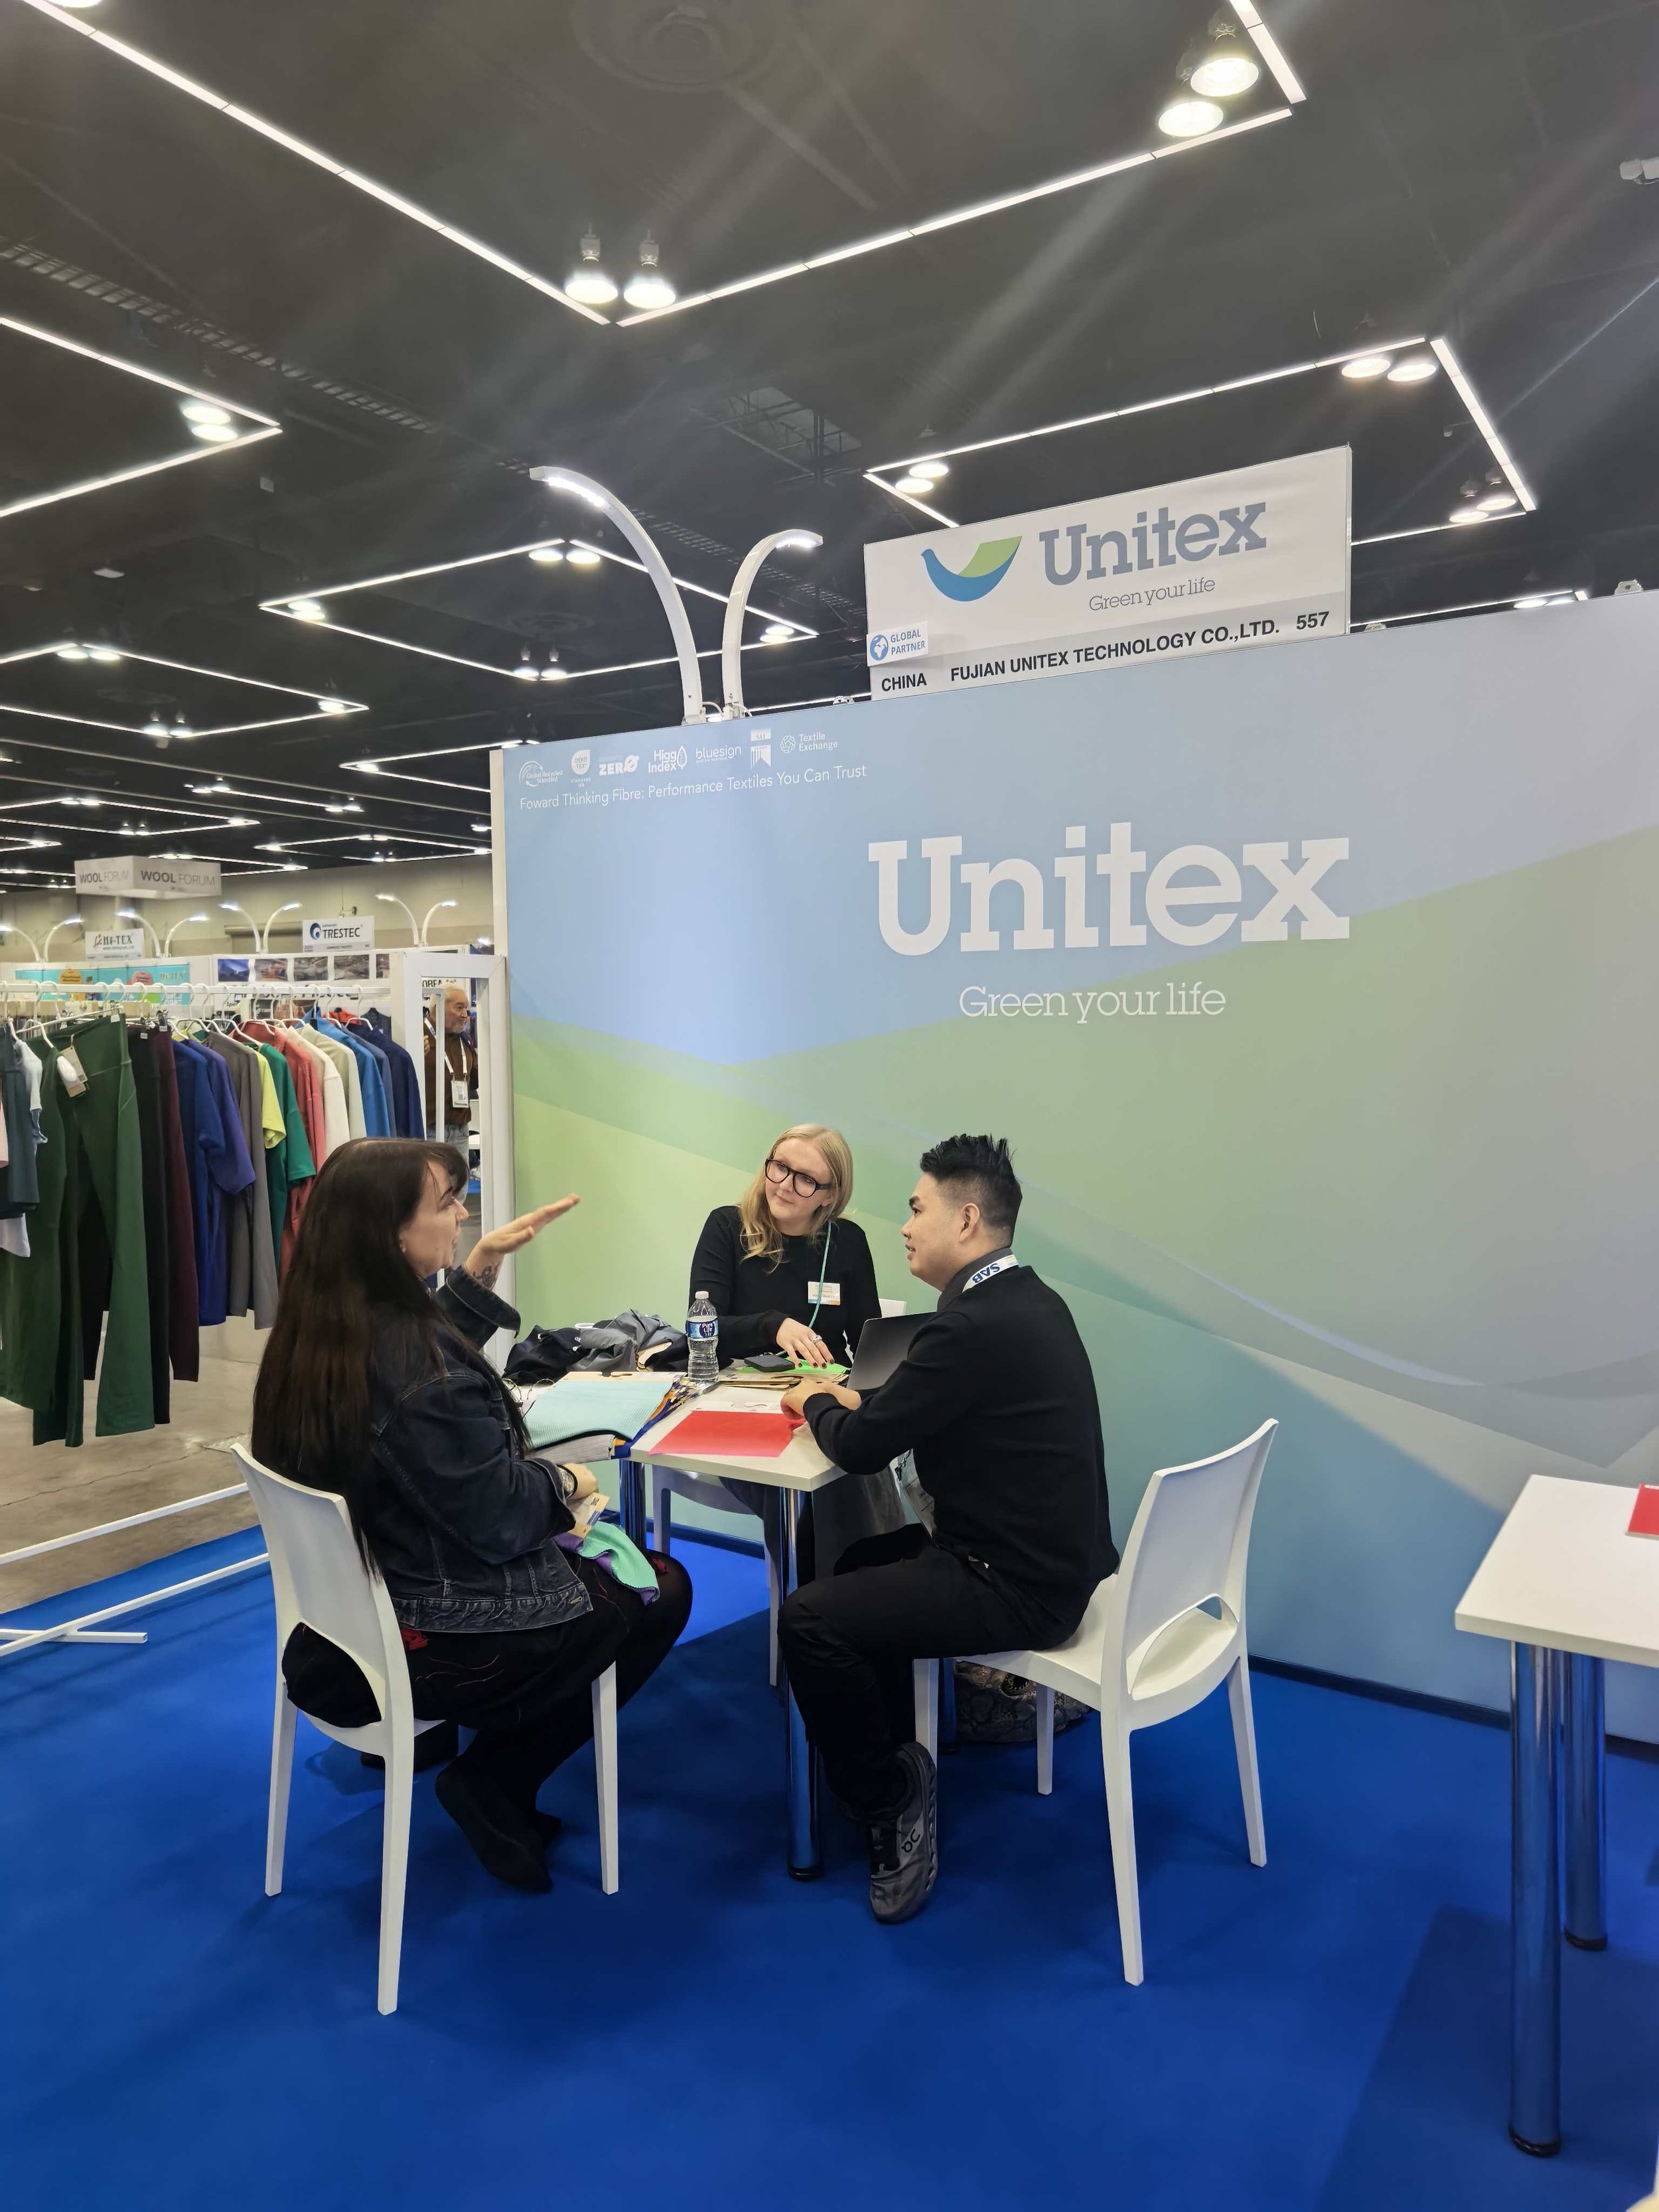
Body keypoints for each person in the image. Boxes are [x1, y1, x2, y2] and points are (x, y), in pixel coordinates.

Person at [250, 1138, 692, 1894]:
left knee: (600, 1556)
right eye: (448, 1203)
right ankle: (496, 1778)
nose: (463, 1214)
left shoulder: (320, 1330)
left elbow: (424, 1358)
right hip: (433, 1634)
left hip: (339, 1628)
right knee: (659, 1585)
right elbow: (500, 1517)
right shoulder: (418, 1372)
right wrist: (570, 1482)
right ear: (389, 1231)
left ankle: (485, 1762)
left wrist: (482, 1262)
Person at [776, 1134, 1116, 1926]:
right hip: (1053, 1563)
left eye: (916, 1208)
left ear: (965, 1220)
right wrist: (861, 1406)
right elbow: (918, 1409)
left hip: (1013, 1586)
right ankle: (909, 1737)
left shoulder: (966, 1328)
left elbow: (860, 1449)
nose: (904, 1226)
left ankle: (891, 1798)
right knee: (857, 1562)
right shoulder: (1025, 1300)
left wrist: (812, 1399)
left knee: (808, 1620)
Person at [688, 1123, 903, 1574]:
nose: (785, 1184)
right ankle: (828, 1594)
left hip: (825, 1398)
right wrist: (773, 1324)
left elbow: (867, 1339)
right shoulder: (727, 1227)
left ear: (830, 1194)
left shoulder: (847, 1241)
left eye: (805, 1179)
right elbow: (704, 1329)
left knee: (858, 1457)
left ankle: (859, 1588)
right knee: (812, 1486)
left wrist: (872, 1390)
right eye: (780, 1167)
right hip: (744, 1408)